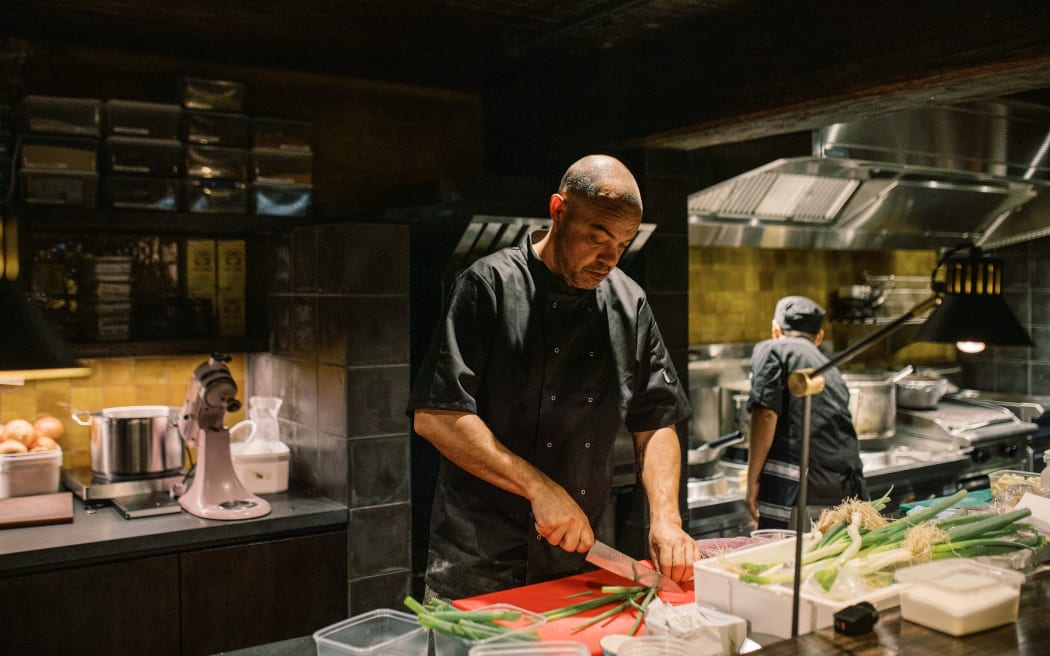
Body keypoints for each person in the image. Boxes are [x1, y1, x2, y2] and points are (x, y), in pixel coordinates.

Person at [409, 154, 700, 600]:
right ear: (558, 211)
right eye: (597, 238)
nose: (609, 259)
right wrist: (538, 486)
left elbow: (657, 418)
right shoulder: (488, 286)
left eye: (623, 244)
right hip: (480, 563)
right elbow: (437, 415)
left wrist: (666, 517)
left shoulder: (630, 303)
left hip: (573, 560)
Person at [746, 295, 868, 529]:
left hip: (799, 493)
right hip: (846, 491)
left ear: (775, 330)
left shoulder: (771, 349)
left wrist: (752, 482)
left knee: (788, 561)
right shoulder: (829, 368)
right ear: (819, 337)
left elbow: (765, 414)